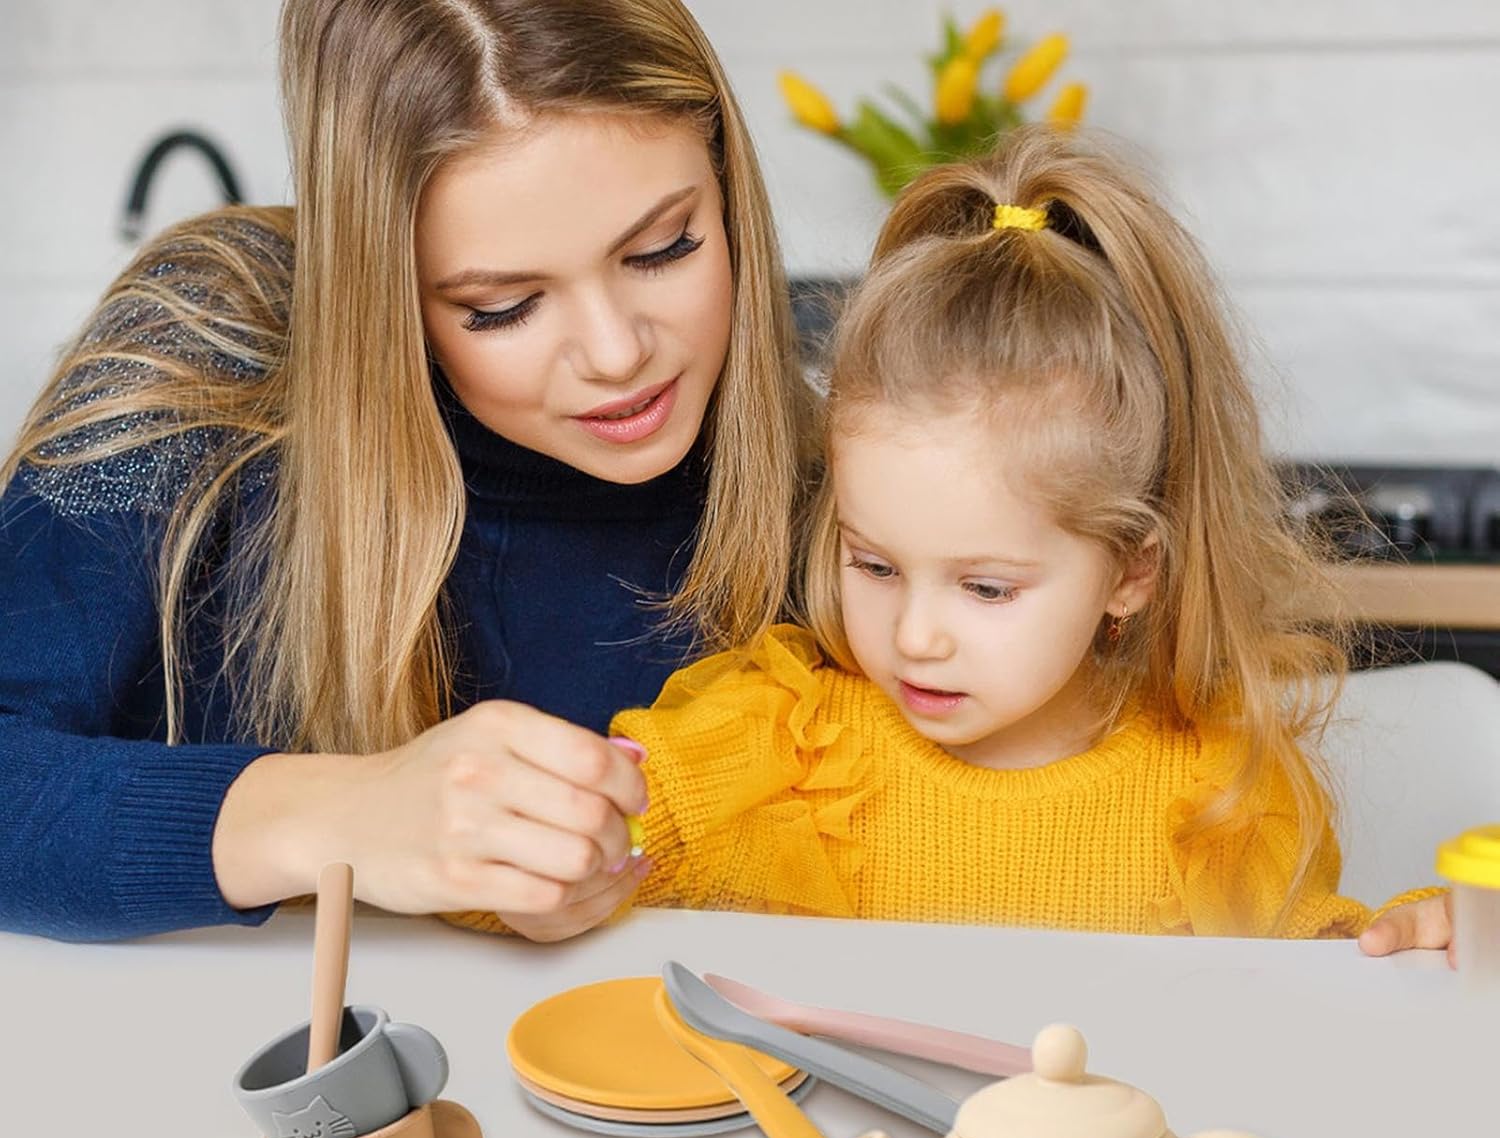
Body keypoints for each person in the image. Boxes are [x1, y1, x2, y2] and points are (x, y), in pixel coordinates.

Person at [450, 126, 1450, 952]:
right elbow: (517, 874)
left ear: (1130, 571)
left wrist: (1411, 944)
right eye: (875, 565)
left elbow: (1308, 989)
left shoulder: (1217, 796)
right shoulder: (778, 742)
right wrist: (482, 842)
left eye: (986, 589)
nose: (915, 636)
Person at [0, 0, 816, 942]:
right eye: (503, 306)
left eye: (662, 249)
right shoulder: (207, 340)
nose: (615, 353)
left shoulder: (837, 465)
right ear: (381, 287)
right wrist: (340, 815)